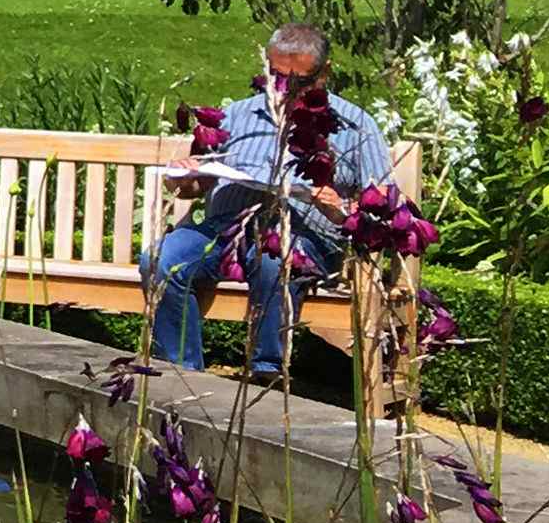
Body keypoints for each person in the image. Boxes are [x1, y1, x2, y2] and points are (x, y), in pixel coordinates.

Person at [142, 20, 393, 379]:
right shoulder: (237, 115)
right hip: (224, 230)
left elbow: (380, 208)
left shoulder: (355, 126)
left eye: (299, 81)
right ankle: (182, 372)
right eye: (276, 77)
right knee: (160, 259)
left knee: (276, 261)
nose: (285, 89)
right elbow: (189, 190)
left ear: (325, 73)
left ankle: (267, 372)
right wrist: (185, 176)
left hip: (304, 239)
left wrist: (339, 208)